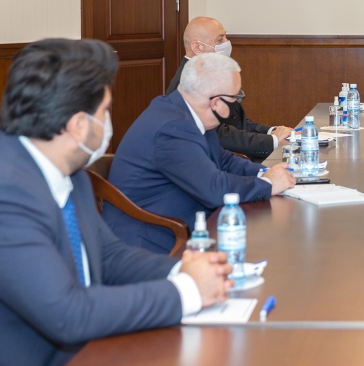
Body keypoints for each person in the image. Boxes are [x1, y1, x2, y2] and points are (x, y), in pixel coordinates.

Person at [0, 39, 235, 366]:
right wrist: (188, 291)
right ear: (77, 125)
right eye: (104, 111)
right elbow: (68, 315)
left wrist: (185, 269)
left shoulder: (60, 163)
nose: (108, 122)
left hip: (70, 356)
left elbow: (109, 256)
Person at [106, 53, 295, 254]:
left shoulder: (188, 113)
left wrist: (264, 172)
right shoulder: (173, 127)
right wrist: (268, 184)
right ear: (216, 102)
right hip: (150, 243)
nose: (236, 105)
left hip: (184, 227)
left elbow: (224, 160)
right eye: (236, 97)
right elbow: (214, 189)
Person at [167, 16, 293, 161]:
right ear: (197, 48)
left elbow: (238, 123)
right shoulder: (187, 84)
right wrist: (273, 141)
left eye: (226, 37)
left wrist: (273, 131)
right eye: (220, 40)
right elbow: (218, 134)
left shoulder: (210, 73)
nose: (227, 43)